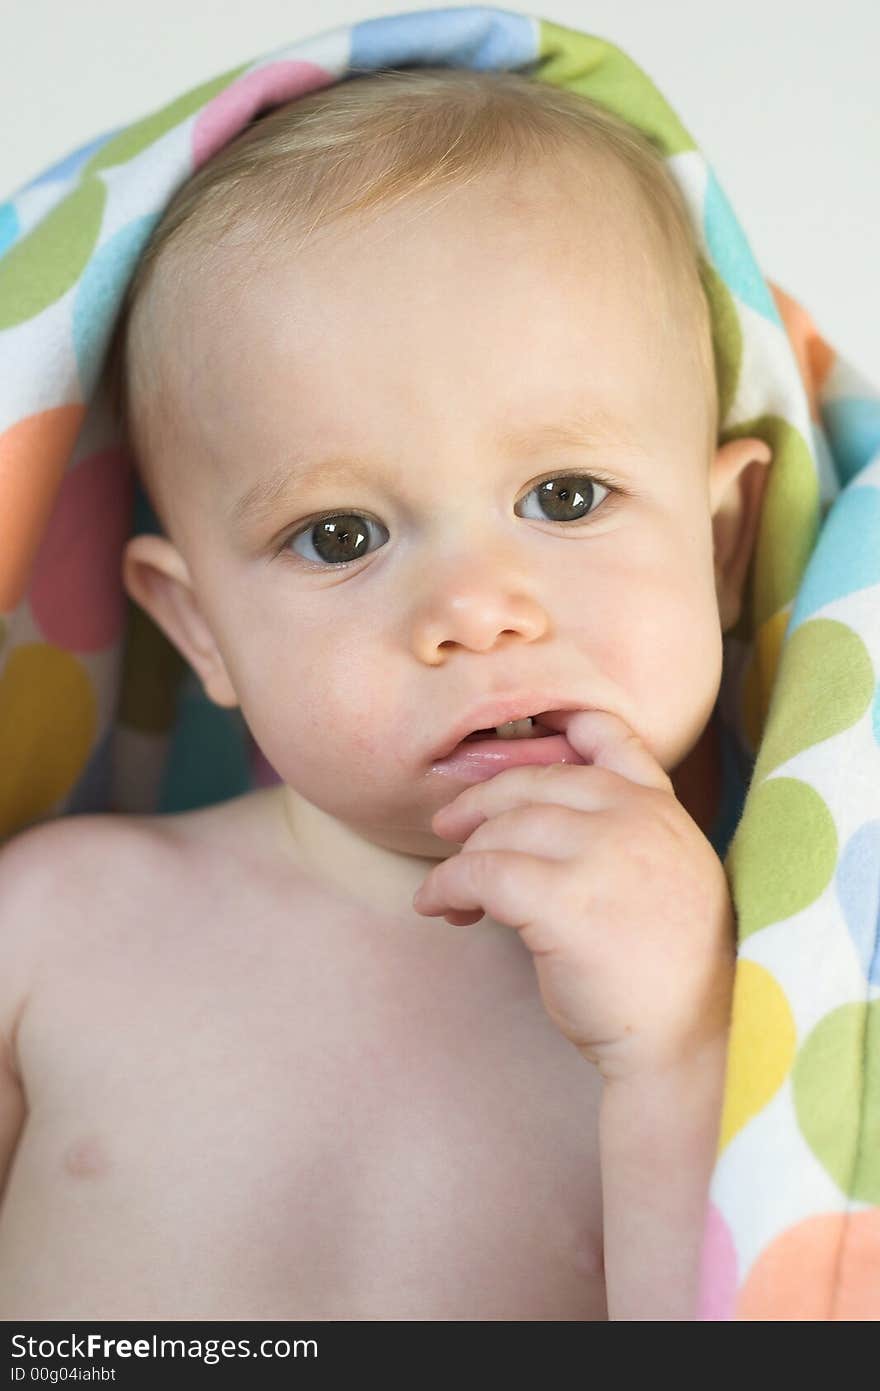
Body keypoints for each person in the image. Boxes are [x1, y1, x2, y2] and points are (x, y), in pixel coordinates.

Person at [0, 67, 772, 1320]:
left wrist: (676, 1053)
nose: (475, 610)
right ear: (202, 627)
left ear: (722, 542)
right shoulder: (50, 919)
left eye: (564, 497)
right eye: (341, 533)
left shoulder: (765, 997)